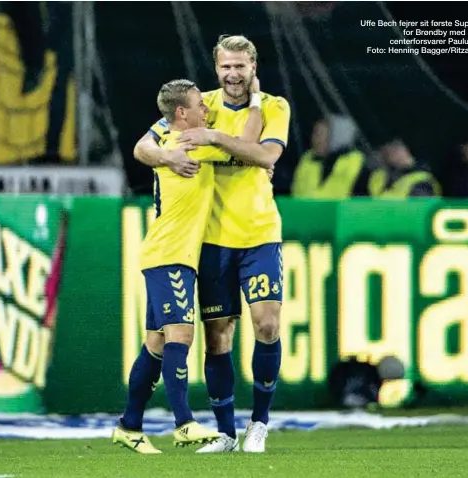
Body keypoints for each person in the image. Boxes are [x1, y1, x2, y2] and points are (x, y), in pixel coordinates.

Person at [133, 35, 291, 453]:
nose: (233, 74)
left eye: (241, 66)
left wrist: (217, 139)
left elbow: (266, 155)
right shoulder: (198, 106)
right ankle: (225, 432)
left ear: (253, 67)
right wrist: (168, 157)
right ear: (216, 68)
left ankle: (259, 422)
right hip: (212, 239)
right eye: (226, 67)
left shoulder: (274, 106)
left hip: (259, 233)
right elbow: (143, 145)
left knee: (268, 325)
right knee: (218, 336)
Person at [113, 78, 261, 454]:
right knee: (182, 336)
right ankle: (184, 424)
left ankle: (129, 427)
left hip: (165, 254)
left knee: (156, 344)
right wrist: (256, 102)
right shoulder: (191, 145)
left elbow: (146, 143)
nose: (206, 111)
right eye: (199, 106)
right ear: (182, 113)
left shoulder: (171, 141)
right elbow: (248, 147)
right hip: (171, 257)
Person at [291, 118, 370, 198]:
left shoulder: (353, 159)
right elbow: (296, 189)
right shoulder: (308, 158)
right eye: (315, 133)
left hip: (337, 209)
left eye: (322, 134)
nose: (316, 139)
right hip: (305, 208)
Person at [368, 139, 441, 198]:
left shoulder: (421, 180)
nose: (387, 156)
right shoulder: (386, 175)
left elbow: (418, 210)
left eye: (392, 151)